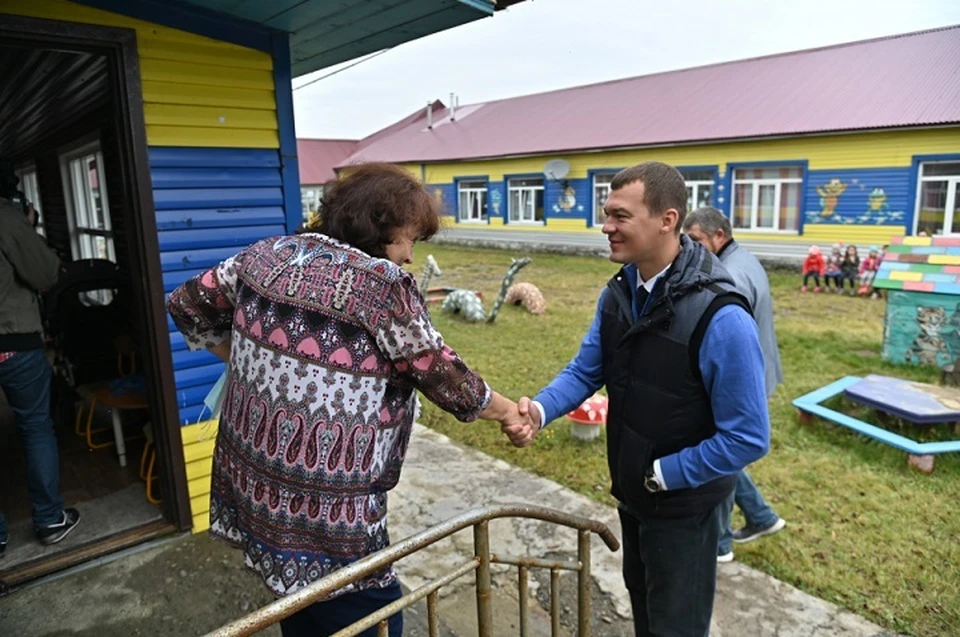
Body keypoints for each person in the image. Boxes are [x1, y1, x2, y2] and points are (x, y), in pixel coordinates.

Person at [167, 163, 534, 637]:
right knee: (371, 614)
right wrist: (509, 414)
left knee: (299, 604)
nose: (409, 256)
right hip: (327, 507)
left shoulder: (269, 253)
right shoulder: (380, 285)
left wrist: (249, 359)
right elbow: (442, 374)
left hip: (255, 480)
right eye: (409, 240)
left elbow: (187, 304)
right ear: (380, 226)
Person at [517, 162, 770, 637]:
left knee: (676, 626)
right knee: (646, 618)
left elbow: (748, 437)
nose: (606, 226)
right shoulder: (620, 292)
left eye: (620, 215)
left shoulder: (721, 315)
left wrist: (662, 474)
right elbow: (588, 369)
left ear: (667, 220)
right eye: (606, 214)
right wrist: (541, 409)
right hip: (634, 497)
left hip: (683, 511)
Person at [683, 207, 787, 563]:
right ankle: (761, 517)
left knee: (724, 452)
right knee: (726, 449)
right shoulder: (742, 259)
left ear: (719, 236)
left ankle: (721, 543)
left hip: (739, 380)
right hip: (756, 370)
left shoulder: (730, 275)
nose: (688, 247)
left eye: (695, 240)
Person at [0, 166, 81, 558]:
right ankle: (49, 519)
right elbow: (46, 272)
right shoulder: (6, 216)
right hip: (13, 339)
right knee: (34, 427)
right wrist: (27, 226)